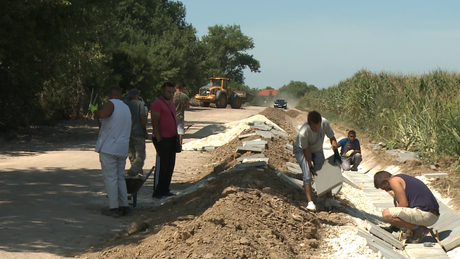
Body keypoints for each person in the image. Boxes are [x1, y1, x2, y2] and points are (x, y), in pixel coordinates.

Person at [94, 86, 132, 217]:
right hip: (121, 148)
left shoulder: (111, 103)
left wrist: (96, 113)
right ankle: (124, 206)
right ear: (121, 95)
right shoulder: (125, 107)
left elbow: (104, 114)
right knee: (120, 177)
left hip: (110, 147)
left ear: (110, 95)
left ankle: (113, 208)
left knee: (110, 178)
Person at [293, 110, 342, 211]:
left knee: (323, 172)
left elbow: (332, 137)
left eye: (318, 126)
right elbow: (306, 150)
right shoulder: (304, 132)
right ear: (309, 123)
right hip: (301, 150)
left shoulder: (324, 123)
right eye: (314, 127)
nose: (316, 129)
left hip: (317, 149)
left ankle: (329, 199)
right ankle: (310, 203)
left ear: (320, 121)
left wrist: (335, 148)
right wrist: (310, 165)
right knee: (307, 174)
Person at [374, 171, 440, 243]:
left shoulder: (394, 180)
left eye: (384, 187)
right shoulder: (401, 178)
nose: (386, 190)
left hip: (427, 215)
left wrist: (395, 221)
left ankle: (418, 229)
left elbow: (404, 205)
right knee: (396, 203)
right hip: (429, 214)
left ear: (386, 180)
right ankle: (395, 228)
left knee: (387, 214)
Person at [150, 82, 177, 199]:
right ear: (163, 91)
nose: (170, 94)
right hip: (162, 139)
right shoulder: (157, 104)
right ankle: (158, 191)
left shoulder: (171, 104)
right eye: (168, 92)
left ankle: (165, 188)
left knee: (170, 165)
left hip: (172, 138)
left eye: (172, 92)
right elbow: (154, 122)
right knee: (162, 165)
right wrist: (159, 139)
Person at [124, 88, 149, 176]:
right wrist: (145, 131)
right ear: (136, 95)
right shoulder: (140, 104)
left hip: (127, 132)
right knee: (140, 155)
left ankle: (138, 171)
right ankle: (134, 170)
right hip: (138, 132)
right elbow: (142, 117)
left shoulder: (124, 104)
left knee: (132, 154)